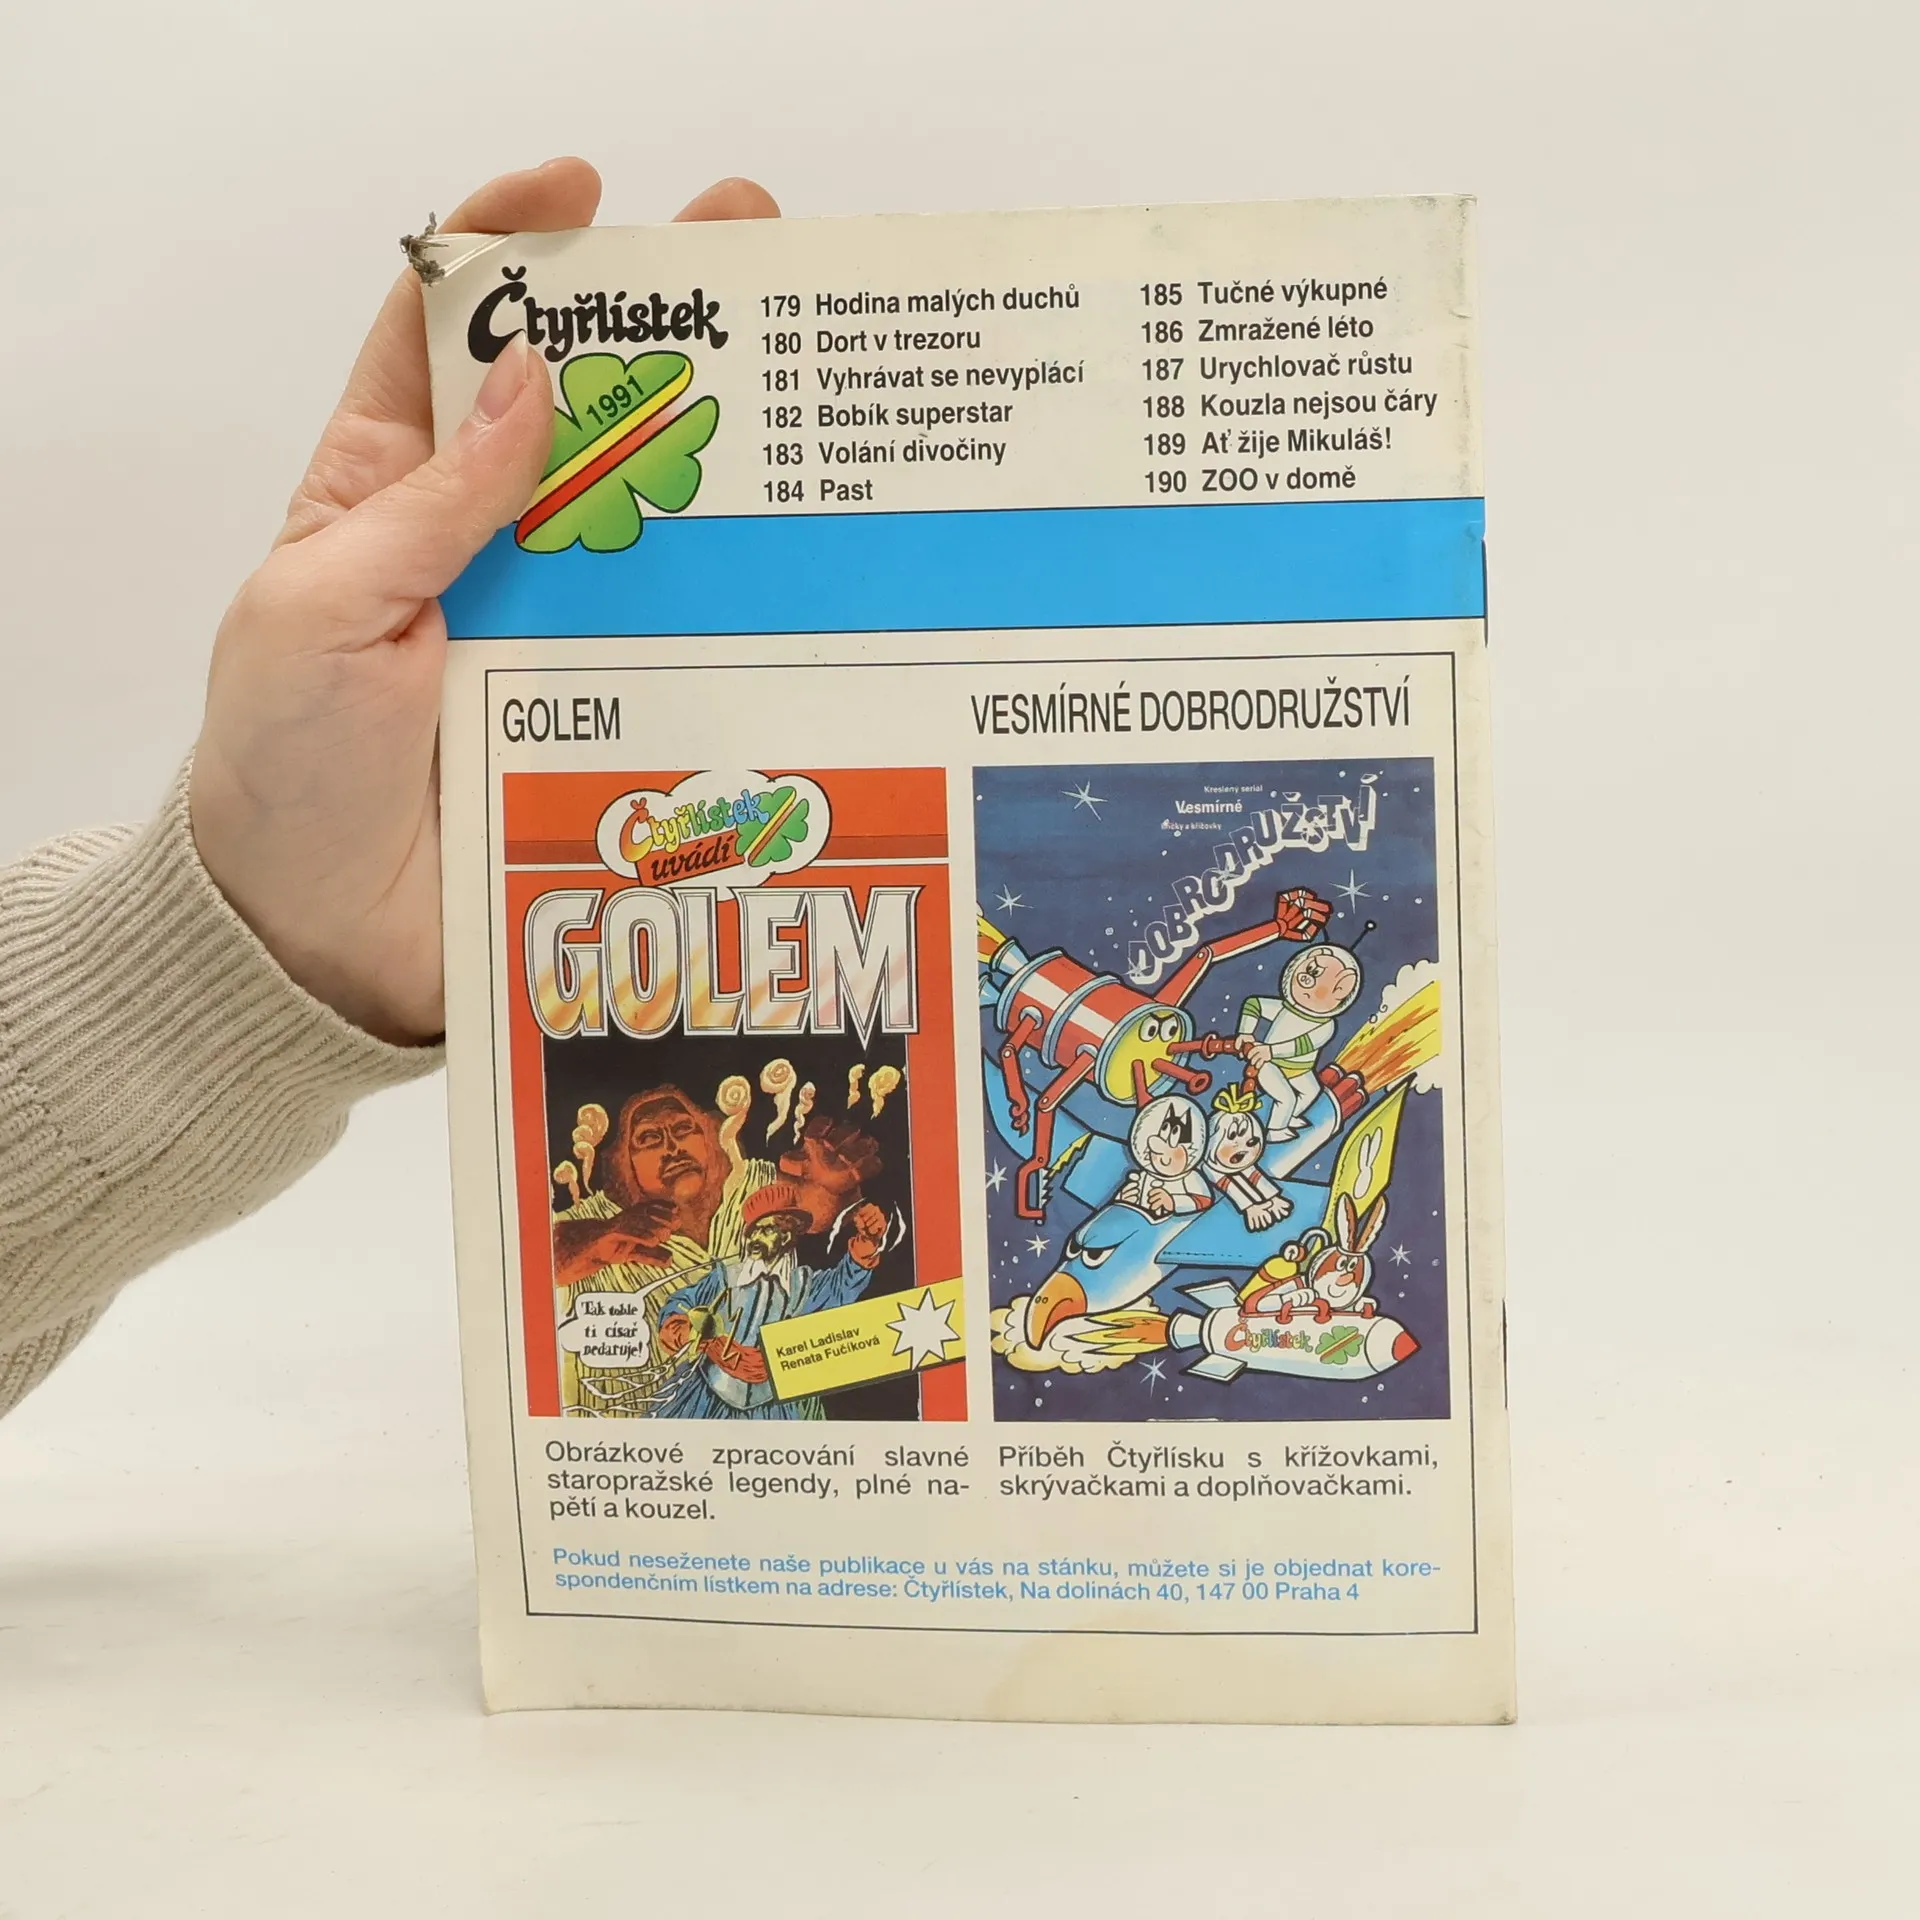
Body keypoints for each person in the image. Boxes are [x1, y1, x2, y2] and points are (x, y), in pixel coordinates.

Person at [0, 159, 779, 1419]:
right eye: (658, 1136)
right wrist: (260, 946)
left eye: (683, 1131)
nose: (677, 1149)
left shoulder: (764, 1223)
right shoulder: (615, 1244)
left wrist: (260, 935)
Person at [652, 1185, 892, 1419]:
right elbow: (683, 1300)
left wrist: (867, 1243)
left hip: (770, 1407)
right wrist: (680, 1326)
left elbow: (843, 1285)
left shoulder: (803, 1285)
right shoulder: (725, 1276)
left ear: (786, 1235)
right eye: (753, 1232)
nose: (755, 1238)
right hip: (707, 1394)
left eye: (766, 1230)